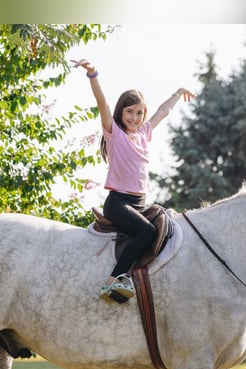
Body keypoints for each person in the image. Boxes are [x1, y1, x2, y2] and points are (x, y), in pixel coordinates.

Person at [71, 59, 195, 303]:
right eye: (129, 112)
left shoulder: (144, 134)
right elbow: (102, 103)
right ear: (121, 112)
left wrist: (178, 93)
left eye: (139, 113)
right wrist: (93, 74)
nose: (135, 117)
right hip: (118, 203)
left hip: (140, 203)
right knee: (147, 231)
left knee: (166, 226)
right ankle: (112, 281)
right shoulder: (114, 133)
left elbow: (163, 111)